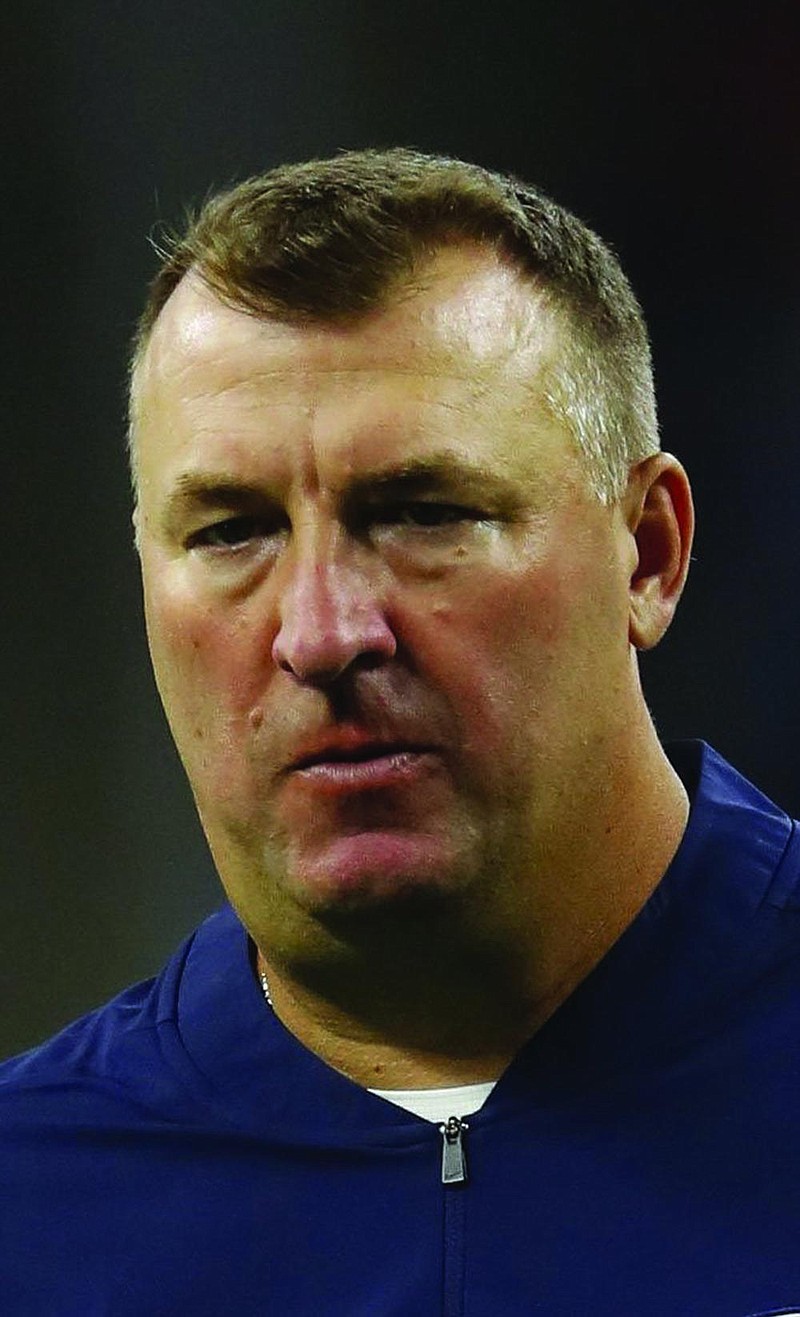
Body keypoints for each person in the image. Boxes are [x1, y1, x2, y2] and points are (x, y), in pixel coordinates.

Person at [2, 148, 799, 1317]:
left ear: (647, 551)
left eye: (424, 513)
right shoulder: (32, 1207)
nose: (323, 634)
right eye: (230, 531)